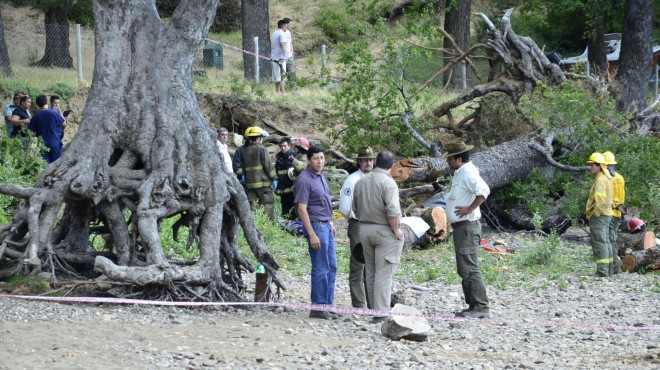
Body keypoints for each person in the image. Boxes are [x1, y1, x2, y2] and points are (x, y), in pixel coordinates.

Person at [352, 150, 404, 323]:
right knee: (384, 272)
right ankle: (382, 312)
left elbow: (355, 208)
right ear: (392, 165)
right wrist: (396, 229)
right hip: (384, 230)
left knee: (371, 271)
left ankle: (374, 309)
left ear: (376, 162)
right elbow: (393, 209)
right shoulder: (388, 183)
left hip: (365, 229)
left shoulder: (361, 182)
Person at [444, 141, 491, 319]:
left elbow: (483, 190)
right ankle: (473, 305)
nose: (447, 160)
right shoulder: (461, 172)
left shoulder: (468, 172)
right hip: (461, 227)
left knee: (470, 267)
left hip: (467, 227)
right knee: (464, 267)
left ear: (458, 158)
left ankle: (480, 306)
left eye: (450, 157)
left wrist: (469, 209)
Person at [294, 145, 337, 319]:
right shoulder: (304, 180)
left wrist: (331, 222)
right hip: (316, 226)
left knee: (332, 265)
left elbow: (323, 202)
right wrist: (311, 233)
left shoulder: (320, 176)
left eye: (322, 158)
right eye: (316, 158)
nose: (320, 161)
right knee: (321, 266)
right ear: (308, 160)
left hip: (326, 224)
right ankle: (318, 307)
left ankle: (327, 304)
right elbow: (301, 209)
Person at [338, 146, 376, 309]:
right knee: (358, 264)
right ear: (359, 162)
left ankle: (373, 303)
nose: (368, 163)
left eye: (370, 160)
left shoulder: (377, 178)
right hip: (358, 224)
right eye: (365, 160)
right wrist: (355, 220)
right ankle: (359, 304)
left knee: (372, 265)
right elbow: (344, 207)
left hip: (374, 225)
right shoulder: (352, 180)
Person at [585, 152, 614, 277]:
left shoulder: (601, 181)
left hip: (600, 215)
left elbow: (600, 201)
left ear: (599, 166)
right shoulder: (605, 178)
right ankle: (609, 270)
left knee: (599, 242)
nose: (590, 167)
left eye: (592, 165)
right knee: (606, 241)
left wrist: (595, 214)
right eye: (590, 165)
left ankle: (602, 271)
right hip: (606, 214)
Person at [240, 126, 277, 221]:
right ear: (258, 138)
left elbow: (243, 168)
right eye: (261, 138)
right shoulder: (262, 149)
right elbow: (268, 166)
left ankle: (255, 226)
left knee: (253, 206)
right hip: (263, 185)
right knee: (268, 204)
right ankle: (269, 227)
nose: (262, 140)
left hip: (251, 185)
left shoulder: (244, 151)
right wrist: (275, 178)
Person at [603, 151, 625, 274]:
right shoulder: (620, 178)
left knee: (609, 240)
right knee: (612, 239)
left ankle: (613, 267)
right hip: (617, 212)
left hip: (608, 212)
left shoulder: (607, 178)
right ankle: (613, 266)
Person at [28, 95, 65, 163]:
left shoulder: (36, 116)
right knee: (57, 165)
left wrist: (40, 133)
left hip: (43, 145)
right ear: (47, 102)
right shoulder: (53, 112)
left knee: (46, 167)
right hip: (55, 142)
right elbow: (64, 124)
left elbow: (30, 133)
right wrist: (60, 113)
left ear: (38, 104)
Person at [274, 137, 296, 219]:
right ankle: (285, 228)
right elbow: (276, 172)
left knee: (294, 211)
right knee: (285, 212)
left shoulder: (294, 157)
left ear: (289, 146)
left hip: (292, 190)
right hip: (282, 189)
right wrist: (275, 182)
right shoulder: (278, 158)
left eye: (285, 146)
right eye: (281, 146)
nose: (283, 148)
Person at [270, 19, 289, 94]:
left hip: (274, 57)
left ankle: (277, 92)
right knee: (282, 77)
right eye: (286, 26)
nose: (286, 28)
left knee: (277, 77)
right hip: (280, 59)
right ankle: (283, 93)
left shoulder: (275, 33)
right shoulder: (282, 34)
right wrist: (284, 56)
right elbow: (283, 45)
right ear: (283, 26)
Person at [282, 17, 296, 90]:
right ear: (286, 24)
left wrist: (292, 52)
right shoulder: (281, 33)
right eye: (290, 24)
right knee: (284, 75)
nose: (291, 26)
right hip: (283, 58)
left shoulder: (288, 32)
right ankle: (286, 89)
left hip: (290, 56)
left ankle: (294, 90)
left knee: (292, 74)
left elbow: (290, 43)